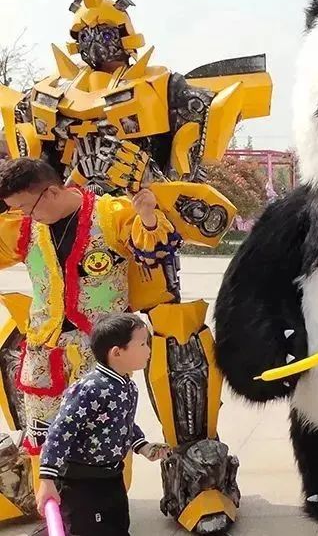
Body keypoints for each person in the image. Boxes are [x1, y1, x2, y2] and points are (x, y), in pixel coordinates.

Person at [0, 158, 177, 459]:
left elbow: (154, 251)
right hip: (46, 349)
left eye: (28, 207)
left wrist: (147, 217)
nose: (26, 214)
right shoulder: (24, 226)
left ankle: (100, 505)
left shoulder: (111, 215)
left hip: (101, 349)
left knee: (104, 438)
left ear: (52, 193)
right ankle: (51, 505)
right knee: (43, 442)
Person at [34, 314, 168, 536]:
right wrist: (47, 479)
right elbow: (60, 433)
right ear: (117, 352)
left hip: (112, 477)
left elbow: (122, 422)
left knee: (116, 527)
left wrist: (143, 446)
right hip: (82, 482)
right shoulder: (89, 389)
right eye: (143, 344)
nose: (148, 349)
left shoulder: (127, 387)